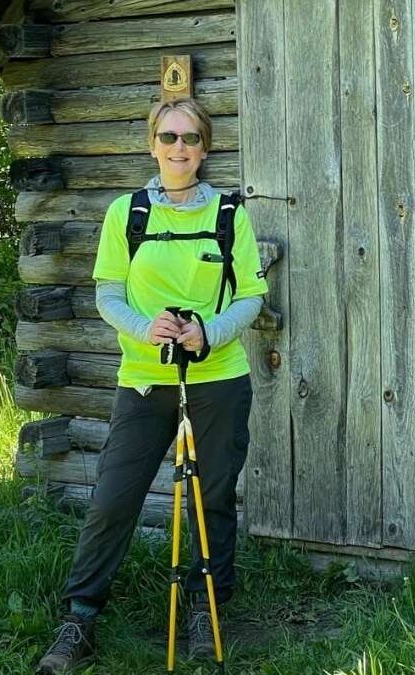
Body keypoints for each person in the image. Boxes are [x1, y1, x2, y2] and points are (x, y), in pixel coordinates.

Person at [37, 97, 268, 674]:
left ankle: (205, 608)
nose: (179, 148)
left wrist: (207, 332)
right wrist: (147, 329)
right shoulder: (128, 213)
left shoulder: (229, 215)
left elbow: (252, 296)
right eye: (168, 138)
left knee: (210, 498)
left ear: (205, 148)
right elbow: (107, 293)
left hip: (217, 376)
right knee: (114, 498)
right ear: (152, 145)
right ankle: (80, 618)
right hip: (144, 378)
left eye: (190, 139)